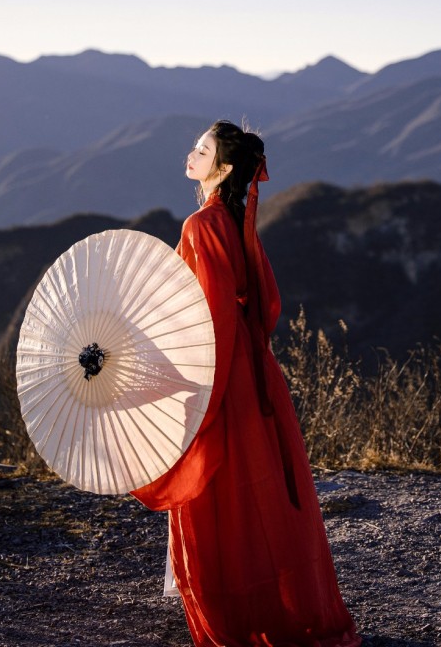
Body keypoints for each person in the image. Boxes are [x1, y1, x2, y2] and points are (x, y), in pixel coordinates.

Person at [132, 120, 361, 647]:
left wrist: (167, 365)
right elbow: (262, 303)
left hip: (220, 373)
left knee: (216, 495)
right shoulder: (235, 219)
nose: (191, 153)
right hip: (252, 373)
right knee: (257, 494)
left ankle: (235, 610)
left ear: (224, 168)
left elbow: (205, 313)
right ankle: (272, 604)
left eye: (202, 149)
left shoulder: (200, 224)